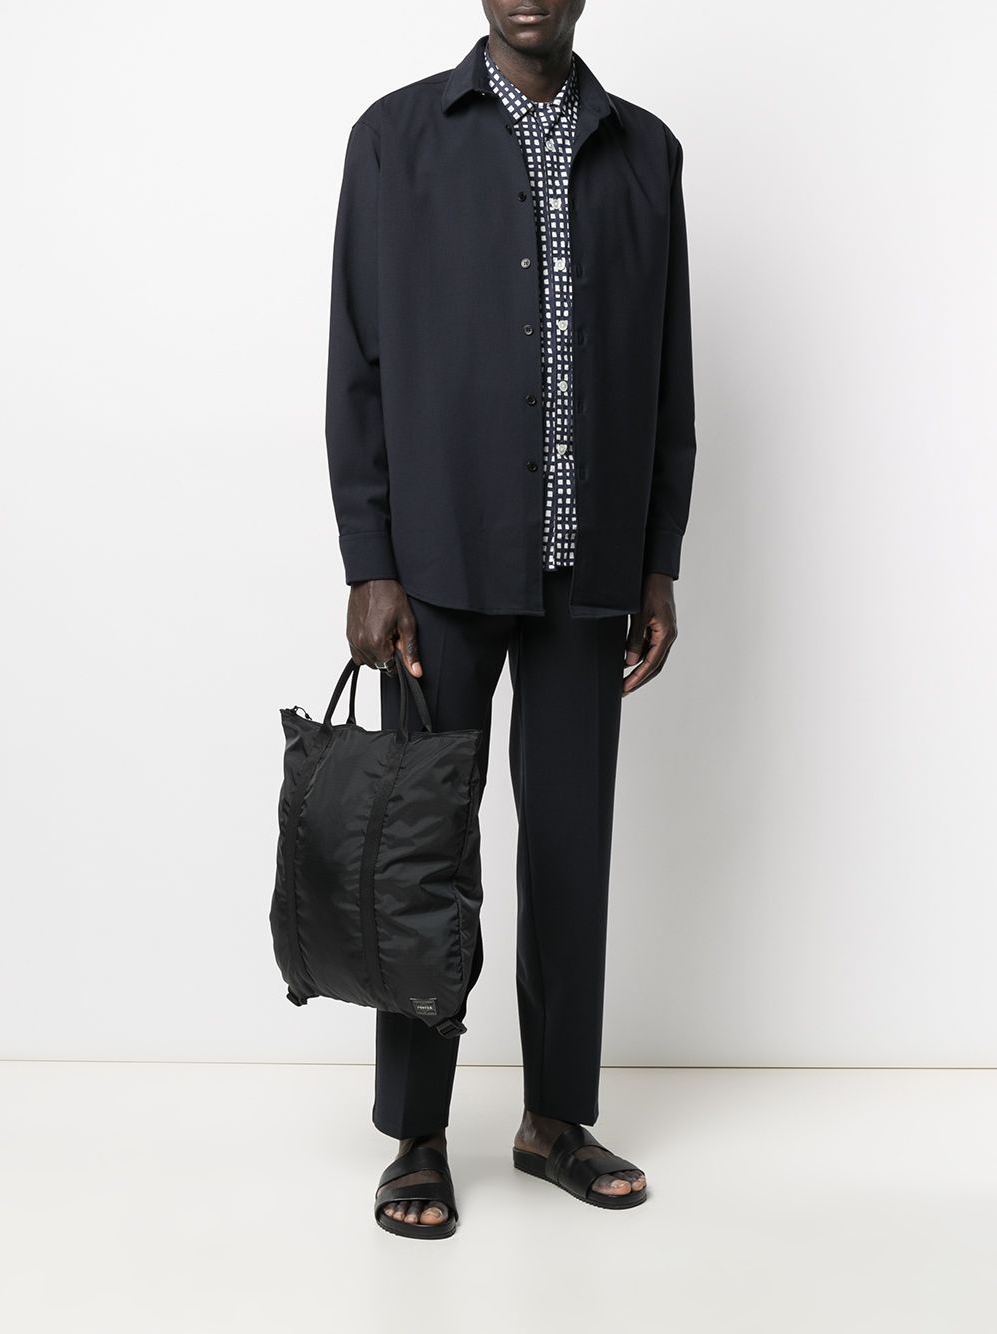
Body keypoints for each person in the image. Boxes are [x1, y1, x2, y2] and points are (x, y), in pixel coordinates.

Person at [325, 0, 696, 1237]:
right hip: (439, 560)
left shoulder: (645, 152)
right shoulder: (395, 138)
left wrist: (655, 560)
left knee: (571, 847)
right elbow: (357, 360)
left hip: (590, 568)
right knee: (421, 850)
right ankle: (417, 1136)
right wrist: (371, 560)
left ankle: (554, 1119)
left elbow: (667, 371)